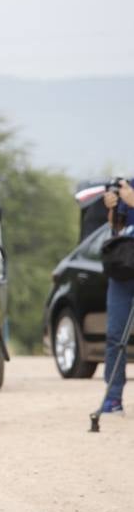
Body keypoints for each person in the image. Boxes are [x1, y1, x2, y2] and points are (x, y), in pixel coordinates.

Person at [99, 177, 134, 414]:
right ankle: (113, 398)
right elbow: (117, 228)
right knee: (115, 335)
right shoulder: (128, 184)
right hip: (124, 268)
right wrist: (112, 208)